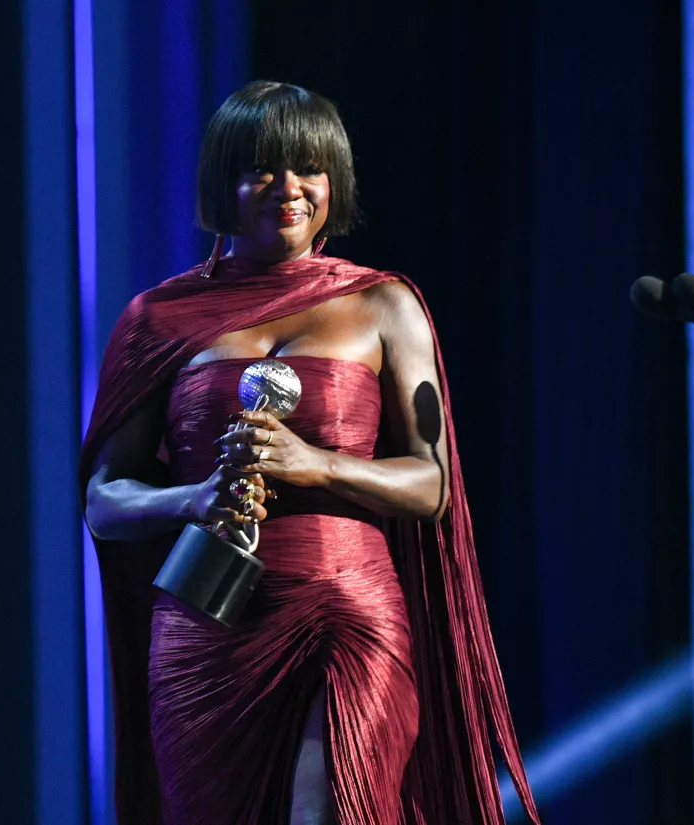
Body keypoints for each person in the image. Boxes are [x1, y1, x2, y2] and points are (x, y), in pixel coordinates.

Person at [81, 80, 540, 825]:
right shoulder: (157, 318)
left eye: (309, 169)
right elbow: (105, 498)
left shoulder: (382, 304)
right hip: (210, 618)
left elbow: (431, 483)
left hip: (345, 609)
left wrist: (316, 462)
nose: (289, 189)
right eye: (263, 168)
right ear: (222, 181)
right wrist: (194, 498)